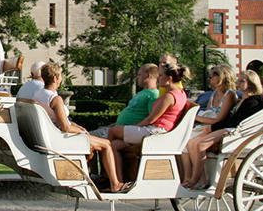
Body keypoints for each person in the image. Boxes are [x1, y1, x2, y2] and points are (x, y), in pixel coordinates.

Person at [34, 62, 128, 193]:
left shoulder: (38, 95)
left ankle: (99, 178)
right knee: (106, 144)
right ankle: (115, 184)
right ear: (55, 78)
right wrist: (82, 131)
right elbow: (66, 127)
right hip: (61, 137)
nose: (61, 78)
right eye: (60, 75)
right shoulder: (55, 99)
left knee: (95, 142)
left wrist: (78, 127)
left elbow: (59, 120)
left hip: (52, 134)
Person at [181, 69, 263, 189]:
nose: (239, 83)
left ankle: (194, 179)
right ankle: (201, 181)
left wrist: (213, 127)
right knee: (191, 142)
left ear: (251, 83)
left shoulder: (253, 101)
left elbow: (235, 122)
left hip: (236, 132)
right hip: (230, 128)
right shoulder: (243, 99)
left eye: (242, 81)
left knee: (200, 145)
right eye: (239, 80)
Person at [109, 63, 190, 176]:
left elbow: (151, 119)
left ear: (169, 79)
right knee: (115, 145)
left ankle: (109, 177)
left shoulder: (168, 97)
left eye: (161, 76)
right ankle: (118, 180)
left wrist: (136, 126)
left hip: (156, 132)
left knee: (113, 131)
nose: (158, 79)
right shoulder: (181, 94)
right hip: (160, 131)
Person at [192, 64, 238, 135]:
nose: (210, 78)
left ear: (222, 77)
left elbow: (218, 120)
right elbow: (208, 112)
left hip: (217, 129)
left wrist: (195, 117)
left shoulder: (229, 94)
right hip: (207, 126)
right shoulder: (214, 93)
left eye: (212, 76)